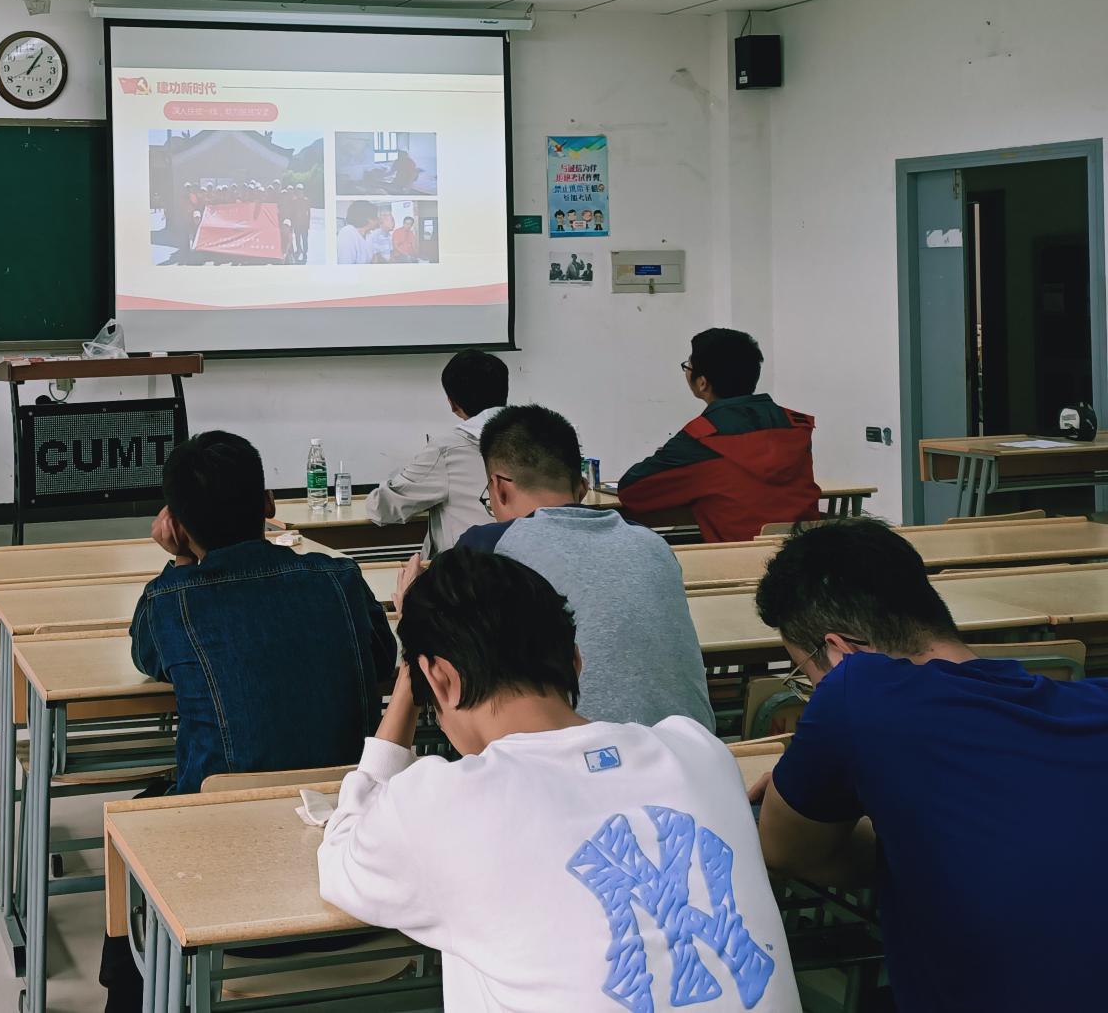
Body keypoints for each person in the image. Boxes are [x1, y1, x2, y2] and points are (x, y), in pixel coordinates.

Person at [318, 547, 800, 1013]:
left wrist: (410, 673)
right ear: (576, 659)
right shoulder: (699, 751)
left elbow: (341, 854)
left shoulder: (441, 803)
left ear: (440, 679)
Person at [751, 519, 1108, 1012]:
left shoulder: (857, 689)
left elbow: (785, 848)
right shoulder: (1094, 702)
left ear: (840, 650)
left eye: (805, 673)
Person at [101, 430, 397, 1012]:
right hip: (361, 875)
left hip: (217, 896)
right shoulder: (340, 580)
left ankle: (129, 996)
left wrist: (181, 561)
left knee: (134, 822)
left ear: (176, 524)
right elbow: (382, 660)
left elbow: (147, 656)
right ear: (268, 504)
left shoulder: (171, 600)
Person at [456, 405, 715, 728]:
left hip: (584, 752)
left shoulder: (486, 547)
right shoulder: (652, 543)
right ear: (581, 488)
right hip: (693, 746)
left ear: (498, 487)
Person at [618, 328, 820, 543]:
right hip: (804, 554)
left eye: (688, 367)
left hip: (737, 559)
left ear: (702, 382)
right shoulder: (795, 425)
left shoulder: (700, 439)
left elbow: (631, 491)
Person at [366, 349, 508, 557]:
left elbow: (382, 508)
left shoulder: (446, 450)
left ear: (452, 403)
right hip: (531, 568)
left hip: (467, 570)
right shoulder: (542, 439)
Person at [336, 200, 383, 264]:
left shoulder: (369, 235)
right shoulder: (347, 233)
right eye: (377, 217)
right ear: (369, 219)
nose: (380, 221)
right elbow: (346, 265)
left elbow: (374, 259)